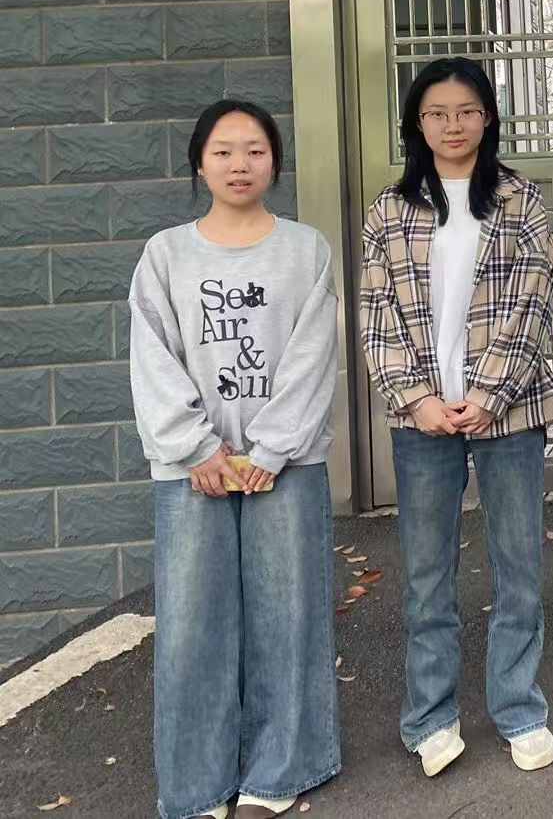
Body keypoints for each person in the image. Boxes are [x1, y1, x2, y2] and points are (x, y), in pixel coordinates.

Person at [130, 99, 340, 819]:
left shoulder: (306, 250)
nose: (239, 164)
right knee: (192, 624)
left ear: (275, 160)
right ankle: (196, 783)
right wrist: (197, 446)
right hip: (192, 469)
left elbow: (314, 356)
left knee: (288, 614)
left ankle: (281, 768)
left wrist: (272, 449)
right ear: (200, 162)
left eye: (254, 149)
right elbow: (152, 357)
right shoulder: (165, 254)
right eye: (222, 151)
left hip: (286, 463)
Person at [357, 57, 553, 778]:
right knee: (426, 573)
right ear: (417, 123)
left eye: (467, 111)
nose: (453, 125)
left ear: (488, 118)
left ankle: (518, 707)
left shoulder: (520, 200)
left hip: (508, 411)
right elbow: (375, 311)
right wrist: (416, 397)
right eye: (437, 113)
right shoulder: (389, 209)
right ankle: (430, 714)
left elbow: (534, 303)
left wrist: (490, 395)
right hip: (421, 416)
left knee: (518, 565)